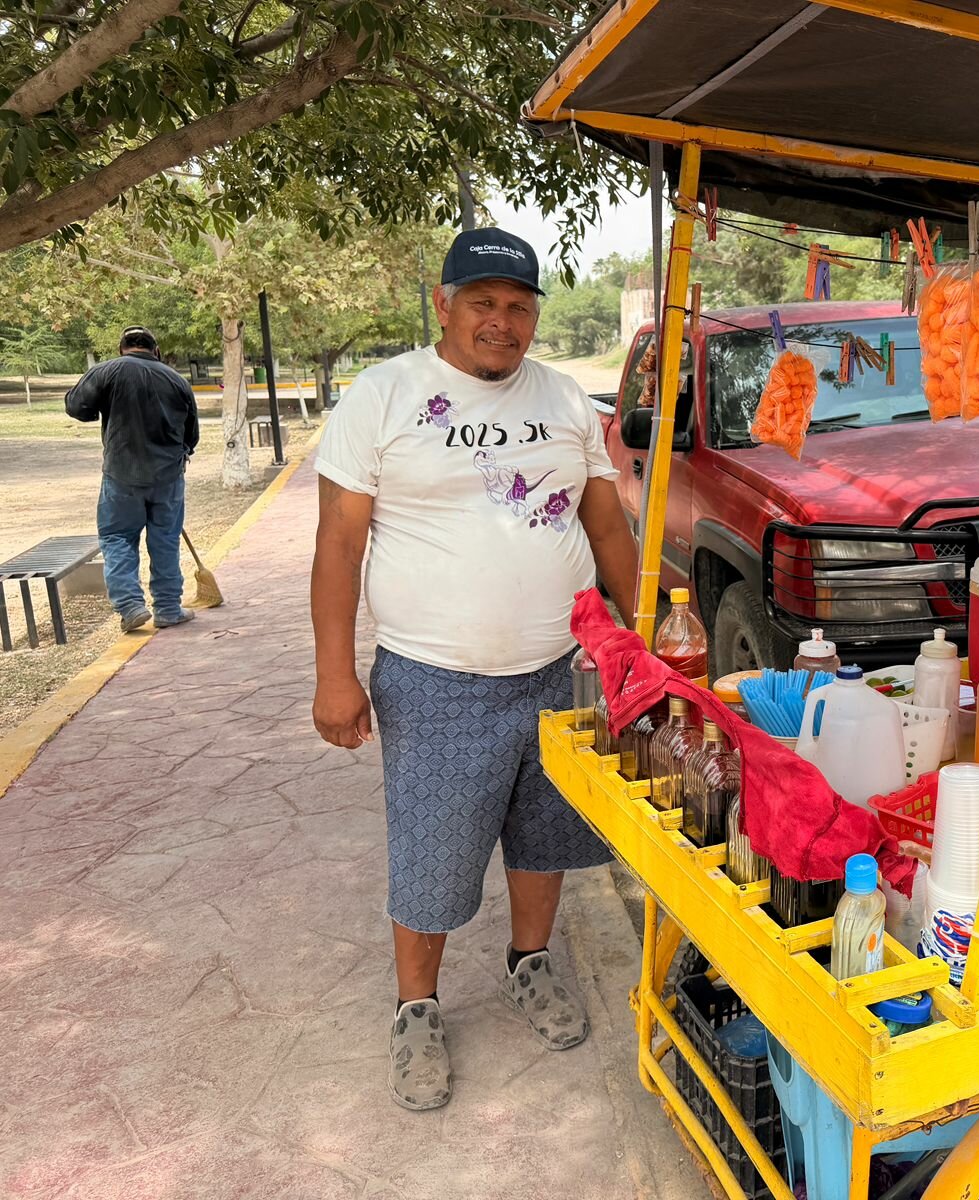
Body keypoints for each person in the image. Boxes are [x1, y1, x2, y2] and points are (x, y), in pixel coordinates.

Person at [310, 228, 639, 1112]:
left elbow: (606, 526)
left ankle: (531, 964)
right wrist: (333, 675)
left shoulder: (568, 399)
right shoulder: (383, 396)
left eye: (520, 306)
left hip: (561, 668)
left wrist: (630, 642)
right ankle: (416, 1011)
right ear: (445, 305)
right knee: (432, 856)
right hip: (436, 678)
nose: (503, 321)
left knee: (547, 839)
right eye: (484, 302)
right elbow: (339, 545)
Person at [65, 326, 200, 632]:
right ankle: (167, 608)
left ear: (121, 348)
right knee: (164, 540)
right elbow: (192, 435)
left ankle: (130, 607)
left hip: (121, 475)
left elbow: (77, 407)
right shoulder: (177, 380)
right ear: (157, 350)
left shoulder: (106, 371)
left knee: (117, 538)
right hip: (168, 476)